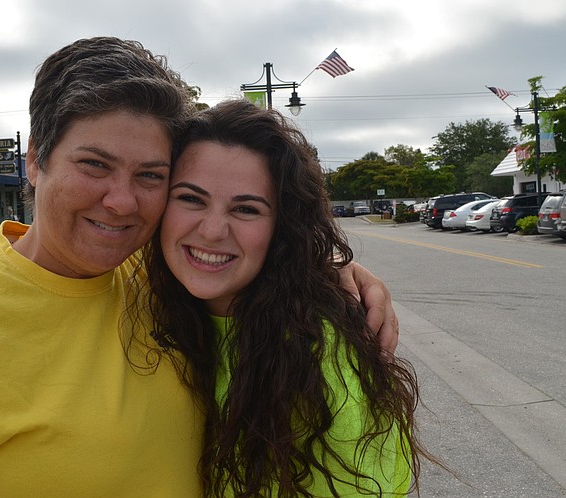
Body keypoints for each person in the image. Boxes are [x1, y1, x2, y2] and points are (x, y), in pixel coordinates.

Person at [0, 37, 397, 497]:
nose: (122, 201)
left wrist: (331, 272)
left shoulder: (162, 281)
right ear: (35, 162)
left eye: (150, 176)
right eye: (94, 165)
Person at [144, 99, 428, 497]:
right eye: (191, 198)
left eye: (246, 208)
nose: (211, 231)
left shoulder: (318, 354)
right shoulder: (152, 300)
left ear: (282, 228)